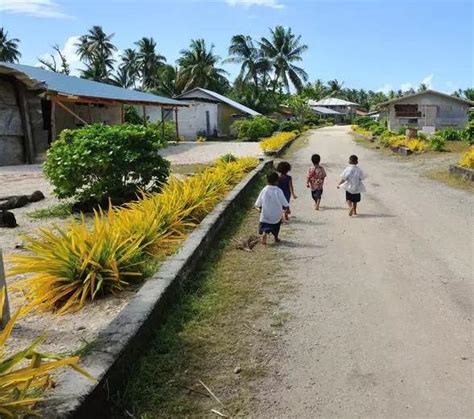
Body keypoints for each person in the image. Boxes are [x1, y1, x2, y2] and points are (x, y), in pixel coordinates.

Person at [255, 171, 290, 244]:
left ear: (267, 180)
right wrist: (287, 208)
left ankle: (265, 233)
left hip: (266, 214)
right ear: (277, 181)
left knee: (265, 225)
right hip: (276, 214)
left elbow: (258, 203)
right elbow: (284, 201)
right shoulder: (278, 191)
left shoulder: (264, 190)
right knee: (276, 227)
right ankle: (276, 238)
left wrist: (259, 208)